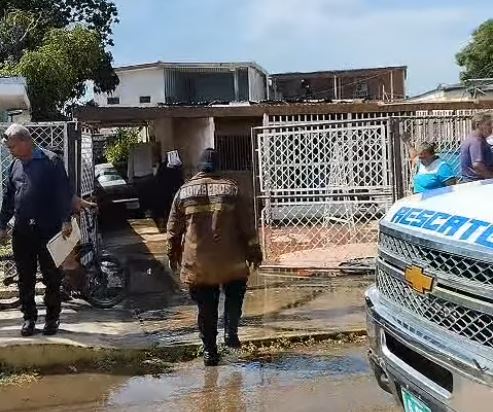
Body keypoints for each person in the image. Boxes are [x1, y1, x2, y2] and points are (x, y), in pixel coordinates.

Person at [166, 148, 262, 366]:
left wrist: (172, 254)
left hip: (198, 263)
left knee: (206, 307)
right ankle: (230, 333)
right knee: (235, 293)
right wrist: (255, 252)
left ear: (199, 167)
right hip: (232, 260)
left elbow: (173, 230)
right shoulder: (232, 189)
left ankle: (210, 351)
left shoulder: (184, 191)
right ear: (218, 167)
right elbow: (247, 226)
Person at [0, 124, 73, 337]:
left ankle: (52, 319)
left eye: (12, 147)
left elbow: (63, 192)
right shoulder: (14, 166)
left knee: (51, 276)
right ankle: (29, 318)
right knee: (25, 277)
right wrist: (2, 225)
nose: (10, 151)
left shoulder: (51, 161)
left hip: (48, 230)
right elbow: (8, 200)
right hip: (23, 232)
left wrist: (65, 220)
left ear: (25, 142)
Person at [153, 150, 184, 231]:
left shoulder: (165, 167)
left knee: (168, 209)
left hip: (167, 192)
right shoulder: (173, 168)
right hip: (167, 192)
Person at [460, 112, 493, 182]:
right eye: (488, 124)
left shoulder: (472, 138)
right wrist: (490, 178)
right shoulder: (476, 141)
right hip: (477, 183)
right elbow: (477, 165)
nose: (491, 127)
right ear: (478, 125)